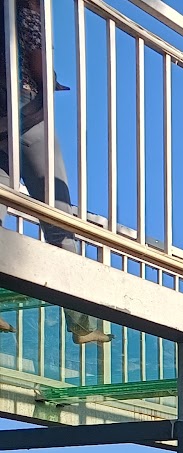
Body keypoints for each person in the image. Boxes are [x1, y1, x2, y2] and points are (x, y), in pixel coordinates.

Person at [1, 0, 109, 344]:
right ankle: (81, 324)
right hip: (23, 111)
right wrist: (49, 81)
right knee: (57, 215)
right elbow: (33, 44)